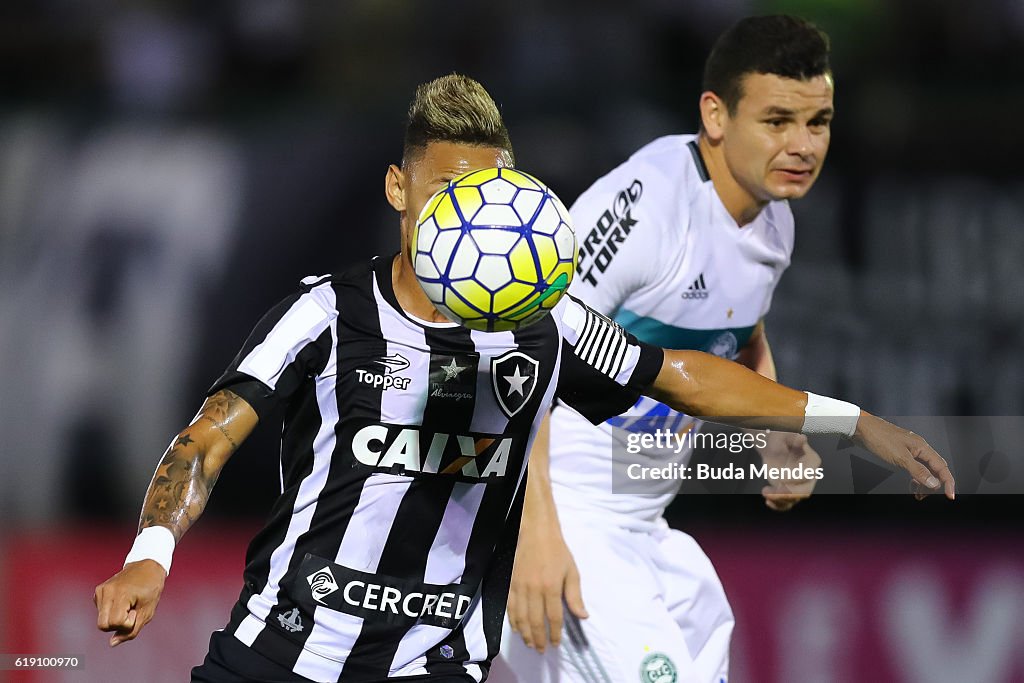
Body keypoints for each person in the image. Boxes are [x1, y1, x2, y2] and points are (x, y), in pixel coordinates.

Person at [93, 73, 953, 683]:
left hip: (428, 662)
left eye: (490, 188)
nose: (471, 211)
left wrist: (847, 420)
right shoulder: (323, 315)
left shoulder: (541, 328)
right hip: (277, 654)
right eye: (446, 188)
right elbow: (208, 436)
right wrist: (150, 552)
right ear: (399, 188)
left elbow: (681, 377)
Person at [496, 15, 853, 683]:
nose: (802, 144)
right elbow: (520, 343)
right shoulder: (645, 210)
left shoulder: (774, 224)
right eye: (777, 120)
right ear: (716, 116)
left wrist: (775, 430)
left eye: (818, 121)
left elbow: (740, 335)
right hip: (565, 516)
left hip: (644, 527)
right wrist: (532, 532)